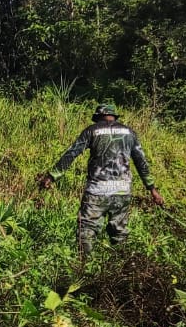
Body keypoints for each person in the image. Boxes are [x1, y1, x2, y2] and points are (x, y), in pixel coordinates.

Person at [39, 104, 163, 255]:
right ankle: (122, 264)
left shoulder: (92, 130)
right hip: (122, 190)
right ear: (114, 117)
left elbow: (71, 154)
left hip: (97, 190)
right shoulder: (129, 132)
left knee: (86, 231)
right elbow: (141, 162)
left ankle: (84, 264)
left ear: (98, 117)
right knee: (119, 232)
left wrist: (52, 176)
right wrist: (152, 189)